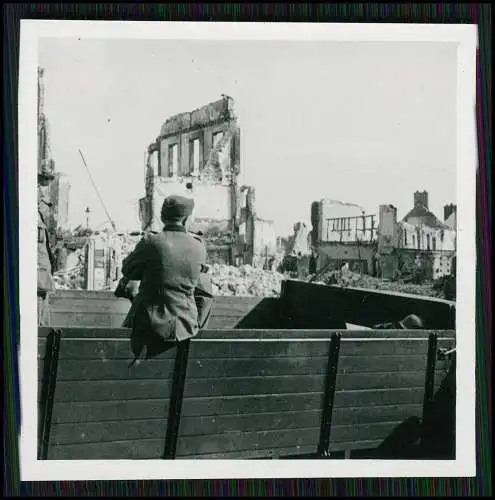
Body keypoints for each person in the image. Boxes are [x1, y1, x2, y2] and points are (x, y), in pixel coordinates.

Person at [121, 195, 207, 360]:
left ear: (162, 217)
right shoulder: (199, 247)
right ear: (186, 219)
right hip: (185, 327)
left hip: (147, 327)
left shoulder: (151, 242)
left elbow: (128, 270)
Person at [37, 165, 56, 326]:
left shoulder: (42, 212)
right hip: (38, 273)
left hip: (42, 273)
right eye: (43, 182)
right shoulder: (34, 211)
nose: (45, 187)